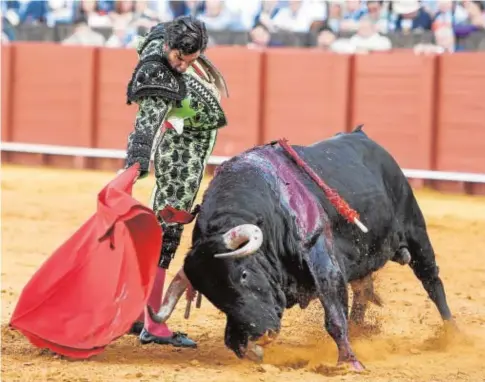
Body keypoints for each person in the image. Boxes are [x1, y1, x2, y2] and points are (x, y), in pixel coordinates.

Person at [121, 15, 229, 348]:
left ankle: (139, 313)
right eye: (178, 59)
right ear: (168, 46)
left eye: (190, 60)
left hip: (187, 141)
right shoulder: (158, 72)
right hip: (182, 149)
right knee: (167, 230)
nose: (182, 66)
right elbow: (145, 127)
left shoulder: (169, 38)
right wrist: (134, 167)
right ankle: (153, 322)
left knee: (163, 227)